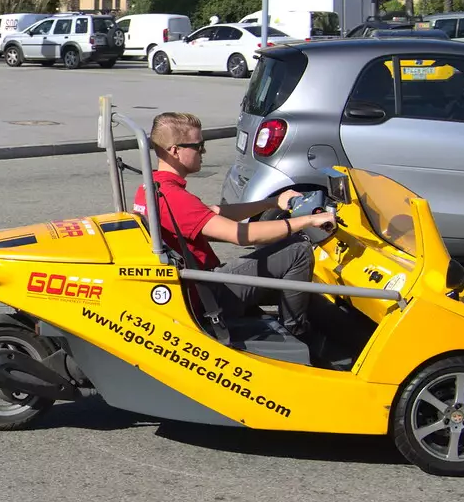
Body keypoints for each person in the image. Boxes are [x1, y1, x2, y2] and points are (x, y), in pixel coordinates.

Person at [132, 112, 335, 341]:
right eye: (198, 146)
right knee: (298, 250)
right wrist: (308, 221)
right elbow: (241, 236)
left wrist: (271, 202)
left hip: (198, 286)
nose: (203, 152)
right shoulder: (174, 198)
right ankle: (298, 333)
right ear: (175, 150)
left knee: (278, 248)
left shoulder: (154, 187)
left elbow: (214, 214)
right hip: (209, 295)